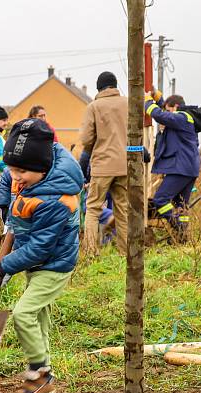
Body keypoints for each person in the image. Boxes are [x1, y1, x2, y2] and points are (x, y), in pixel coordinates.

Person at [0, 118, 84, 393]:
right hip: (35, 259)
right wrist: (6, 201)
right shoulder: (26, 173)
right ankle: (45, 371)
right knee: (38, 316)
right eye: (13, 168)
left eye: (22, 172)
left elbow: (42, 247)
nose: (16, 176)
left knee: (24, 314)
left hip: (54, 263)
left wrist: (6, 265)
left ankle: (38, 376)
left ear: (42, 168)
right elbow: (7, 177)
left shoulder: (56, 199)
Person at [78, 71, 129, 256]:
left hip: (102, 165)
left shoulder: (94, 107)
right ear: (115, 86)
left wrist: (94, 148)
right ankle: (124, 253)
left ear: (99, 88)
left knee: (92, 209)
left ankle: (91, 252)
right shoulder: (128, 103)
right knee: (122, 209)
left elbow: (86, 138)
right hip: (124, 165)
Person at [145, 91, 201, 243]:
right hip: (189, 168)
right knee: (180, 204)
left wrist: (148, 102)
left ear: (176, 107)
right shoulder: (183, 118)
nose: (168, 113)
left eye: (169, 110)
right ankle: (183, 238)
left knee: (160, 200)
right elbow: (166, 113)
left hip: (181, 168)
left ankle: (177, 227)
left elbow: (162, 116)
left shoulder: (183, 116)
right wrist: (158, 98)